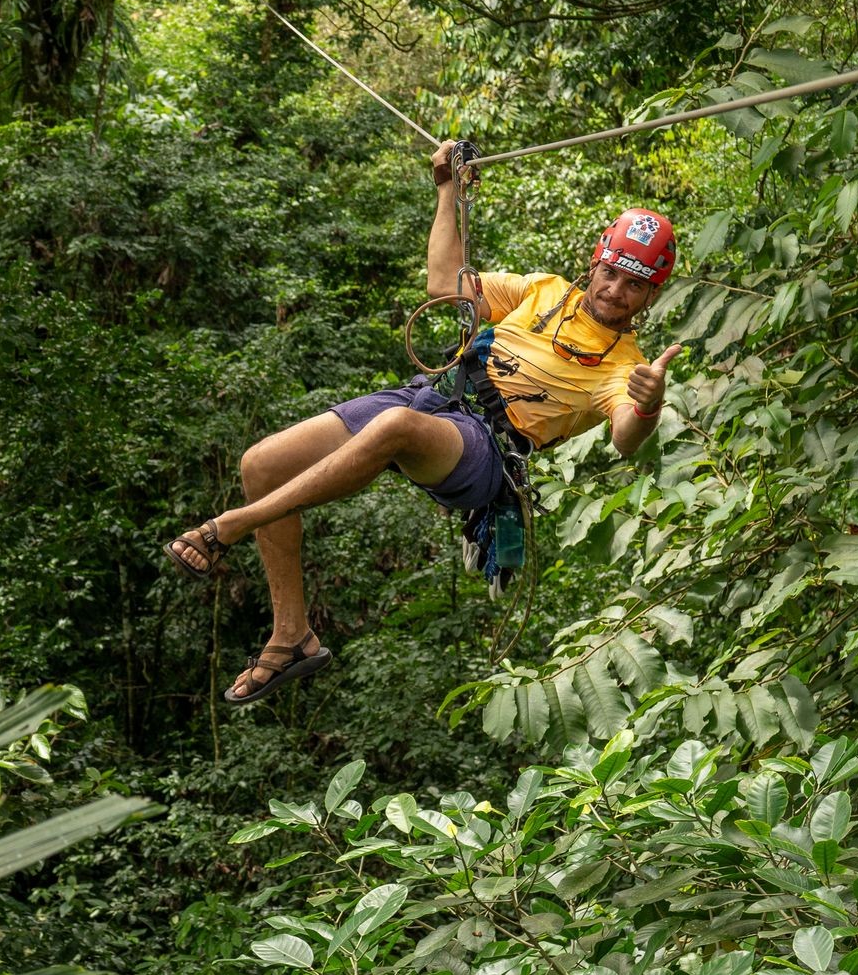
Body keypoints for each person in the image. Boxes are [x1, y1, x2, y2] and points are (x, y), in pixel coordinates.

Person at [165, 139, 680, 704]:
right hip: (431, 399)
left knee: (393, 432)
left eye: (635, 285)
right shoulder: (543, 292)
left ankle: (231, 526)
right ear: (596, 261)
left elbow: (627, 437)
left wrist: (649, 401)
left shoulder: (624, 366)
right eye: (612, 273)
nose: (616, 291)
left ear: (650, 295)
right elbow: (444, 285)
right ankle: (291, 636)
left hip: (485, 449)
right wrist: (446, 191)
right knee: (260, 463)